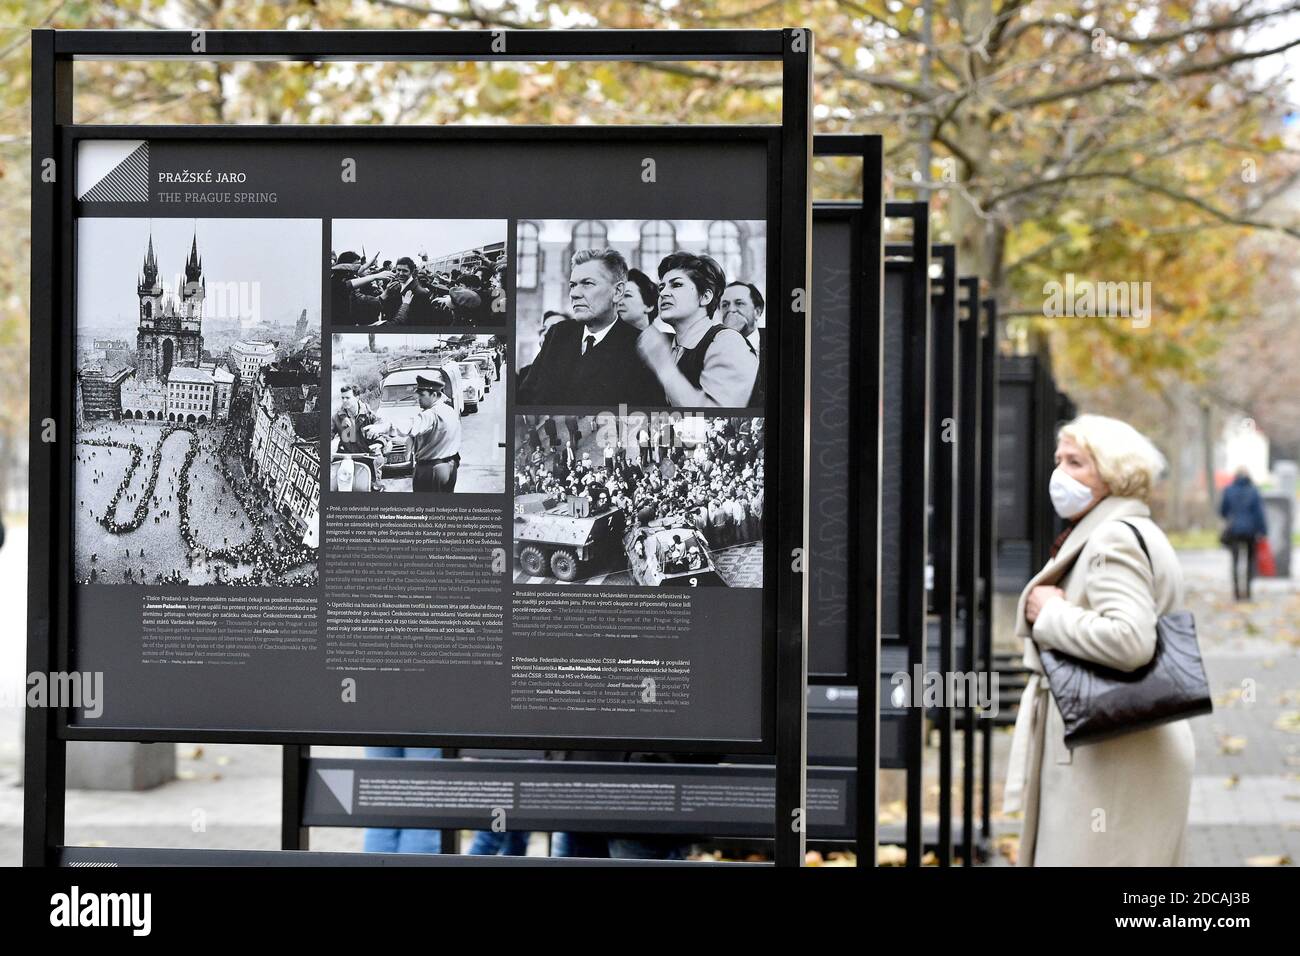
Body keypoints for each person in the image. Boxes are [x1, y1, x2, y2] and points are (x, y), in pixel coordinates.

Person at [1004, 414, 1193, 866]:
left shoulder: (1112, 539)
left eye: (1077, 463)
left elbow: (1130, 641)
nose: (1060, 475)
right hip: (1118, 744)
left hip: (1110, 751)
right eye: (1059, 461)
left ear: (1112, 473)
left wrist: (1050, 614)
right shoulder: (1123, 529)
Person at [516, 249, 665, 406]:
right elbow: (526, 396)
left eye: (587, 284)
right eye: (573, 285)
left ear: (618, 291)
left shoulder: (640, 347)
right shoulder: (558, 333)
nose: (574, 294)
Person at [632, 252, 758, 408]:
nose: (663, 293)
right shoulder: (668, 346)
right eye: (661, 287)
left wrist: (663, 365)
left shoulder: (728, 343)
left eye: (676, 284)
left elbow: (717, 419)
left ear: (705, 297)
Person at [367, 375, 461, 492]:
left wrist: (382, 427)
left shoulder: (431, 414)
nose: (418, 398)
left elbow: (410, 425)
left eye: (422, 395)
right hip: (450, 467)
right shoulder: (449, 410)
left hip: (431, 470)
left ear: (434, 395)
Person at [1218, 466, 1268, 601]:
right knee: (1250, 561)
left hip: (1234, 531)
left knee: (1235, 561)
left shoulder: (1228, 490)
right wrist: (1263, 531)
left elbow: (1222, 511)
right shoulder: (1253, 491)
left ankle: (1236, 593)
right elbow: (1259, 514)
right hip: (1251, 532)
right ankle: (1248, 591)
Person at [719, 280, 765, 405]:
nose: (731, 310)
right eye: (725, 305)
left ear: (758, 312)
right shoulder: (713, 346)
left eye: (739, 303)